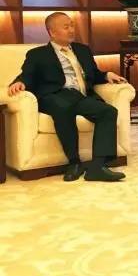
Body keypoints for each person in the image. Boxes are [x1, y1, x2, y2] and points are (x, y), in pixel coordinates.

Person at [7, 12, 129, 182]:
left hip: (79, 96)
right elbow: (27, 75)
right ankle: (74, 163)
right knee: (63, 108)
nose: (71, 30)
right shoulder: (37, 54)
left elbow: (93, 73)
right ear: (52, 32)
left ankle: (97, 166)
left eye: (72, 25)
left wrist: (106, 75)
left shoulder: (83, 50)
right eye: (66, 27)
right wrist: (19, 82)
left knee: (108, 111)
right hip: (54, 95)